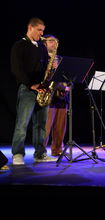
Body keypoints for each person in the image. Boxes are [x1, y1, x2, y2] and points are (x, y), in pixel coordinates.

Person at [10, 17, 57, 165]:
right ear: (30, 28)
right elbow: (16, 69)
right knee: (22, 123)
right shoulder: (20, 45)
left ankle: (40, 154)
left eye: (43, 30)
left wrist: (52, 68)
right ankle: (17, 154)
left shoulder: (41, 47)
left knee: (41, 125)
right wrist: (31, 85)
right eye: (39, 30)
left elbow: (43, 69)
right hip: (27, 89)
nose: (42, 33)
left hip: (42, 89)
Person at [43, 35, 69, 156]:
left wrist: (68, 86)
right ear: (44, 44)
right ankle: (41, 152)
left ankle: (57, 150)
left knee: (60, 128)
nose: (53, 43)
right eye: (51, 41)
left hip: (62, 97)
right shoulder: (42, 58)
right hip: (49, 96)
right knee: (46, 128)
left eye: (55, 41)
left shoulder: (60, 59)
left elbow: (68, 75)